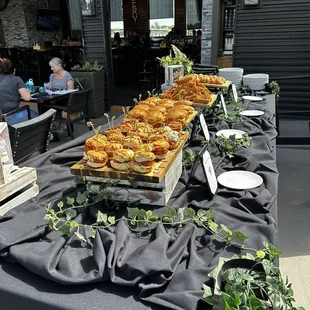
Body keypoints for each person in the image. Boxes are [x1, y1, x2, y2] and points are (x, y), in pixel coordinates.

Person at [0, 58, 37, 124]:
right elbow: (27, 98)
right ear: (12, 69)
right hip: (10, 114)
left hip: (1, 118)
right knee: (36, 115)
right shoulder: (16, 79)